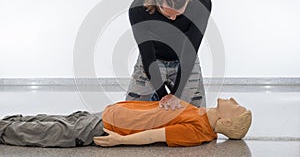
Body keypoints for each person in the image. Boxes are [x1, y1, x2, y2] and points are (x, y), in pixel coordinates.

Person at [0, 96, 252, 147]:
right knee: (53, 119)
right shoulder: (200, 112)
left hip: (107, 127)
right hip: (110, 113)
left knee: (47, 132)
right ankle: (7, 122)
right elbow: (164, 112)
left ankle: (4, 131)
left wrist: (120, 141)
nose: (232, 99)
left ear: (227, 123)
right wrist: (172, 100)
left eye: (236, 106)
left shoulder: (198, 132)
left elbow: (154, 135)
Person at [126, 0, 212, 109]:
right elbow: (147, 56)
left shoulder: (201, 3)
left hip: (184, 58)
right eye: (168, 13)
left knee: (198, 116)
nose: (172, 19)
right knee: (130, 113)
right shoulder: (138, 8)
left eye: (178, 14)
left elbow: (190, 51)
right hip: (153, 58)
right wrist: (163, 97)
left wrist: (176, 95)